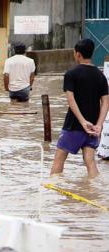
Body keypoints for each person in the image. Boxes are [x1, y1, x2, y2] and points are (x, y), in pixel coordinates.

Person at [50, 39, 109, 177]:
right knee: (90, 161)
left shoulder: (71, 73)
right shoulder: (101, 76)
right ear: (91, 54)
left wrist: (82, 122)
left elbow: (71, 100)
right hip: (93, 127)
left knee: (59, 160)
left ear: (77, 54)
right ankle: (94, 192)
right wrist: (99, 125)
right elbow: (106, 103)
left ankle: (51, 193)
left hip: (74, 125)